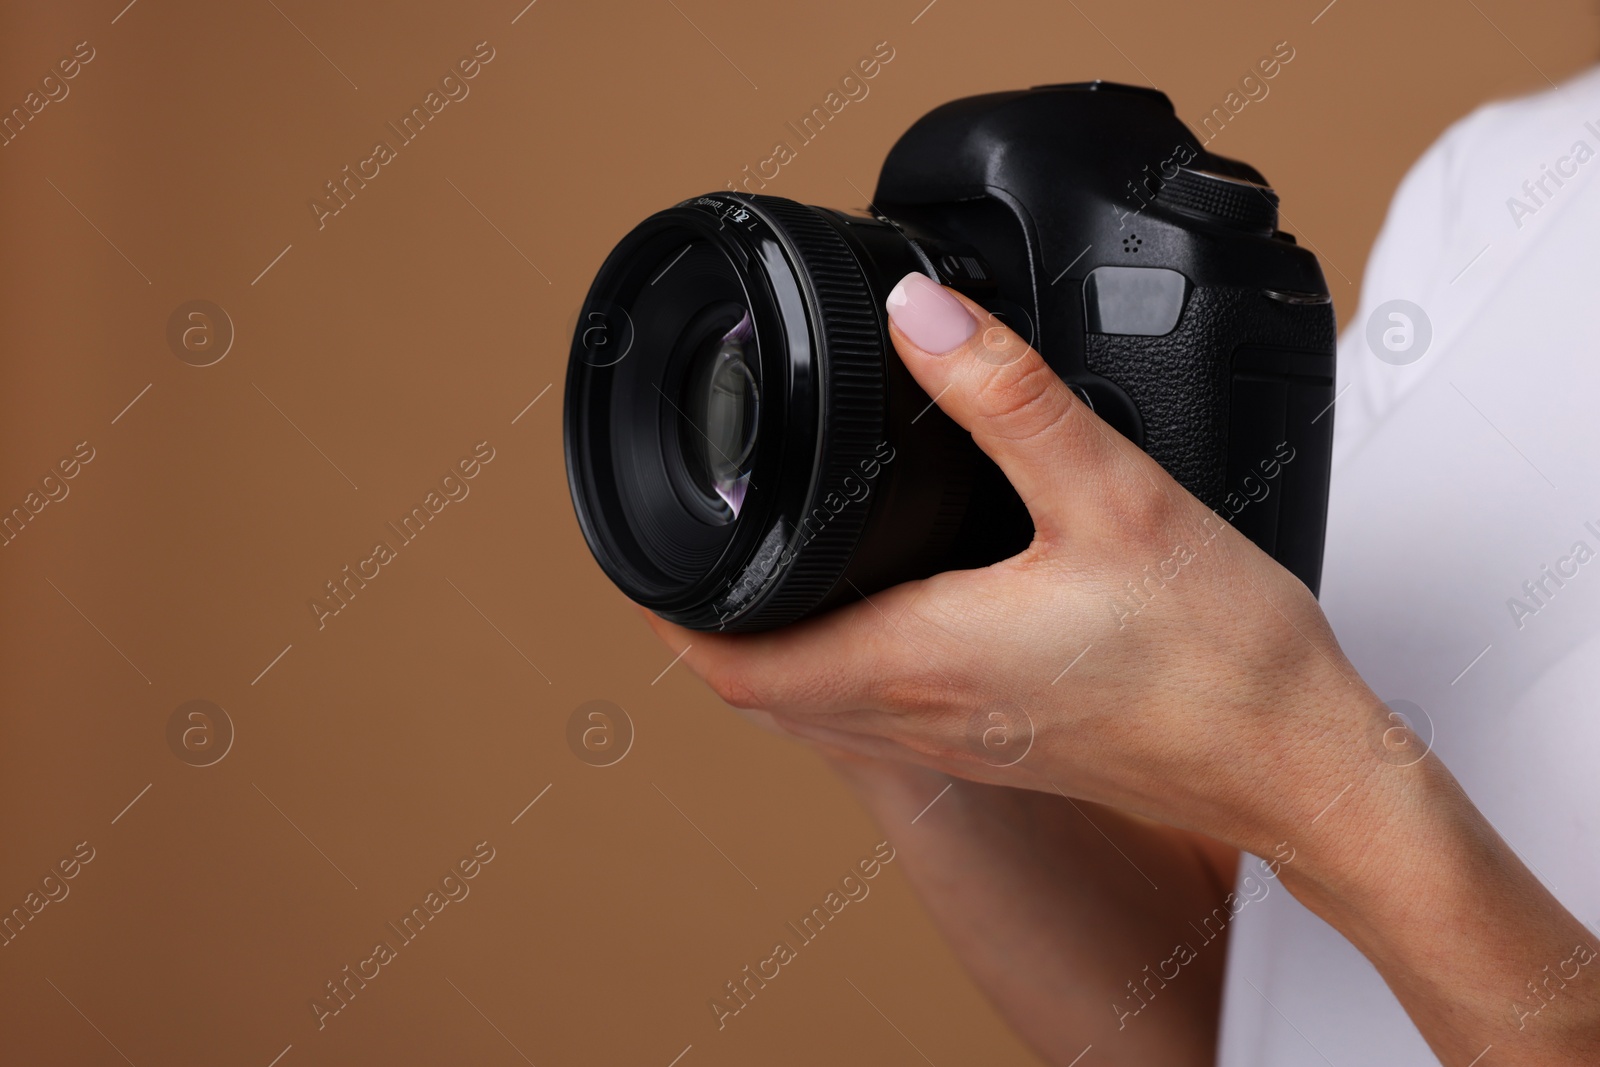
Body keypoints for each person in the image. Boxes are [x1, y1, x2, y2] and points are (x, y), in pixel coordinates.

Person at [644, 73, 1600, 1066]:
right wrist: (895, 721)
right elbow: (1253, 1017)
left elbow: (1332, 825)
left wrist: (1318, 787)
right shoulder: (1505, 173)